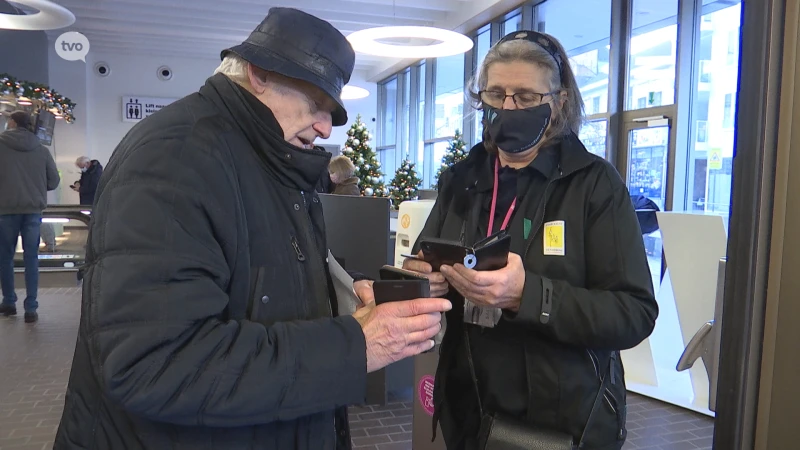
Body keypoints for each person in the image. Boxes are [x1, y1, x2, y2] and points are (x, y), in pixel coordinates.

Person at [54, 8, 450, 450]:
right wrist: (356, 345)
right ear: (260, 73)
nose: (324, 127)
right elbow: (154, 362)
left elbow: (262, 281)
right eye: (316, 102)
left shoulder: (267, 159)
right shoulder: (176, 159)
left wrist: (340, 295)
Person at [403, 30, 658, 450]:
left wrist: (528, 295)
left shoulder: (594, 186)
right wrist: (424, 280)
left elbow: (634, 312)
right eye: (496, 93)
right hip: (468, 410)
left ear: (557, 102)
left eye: (524, 96)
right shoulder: (462, 180)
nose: (507, 107)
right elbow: (426, 259)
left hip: (562, 423)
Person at [0, 111, 60, 323]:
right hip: (33, 210)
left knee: (5, 258)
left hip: (5, 209)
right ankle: (31, 308)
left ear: (13, 123)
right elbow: (53, 181)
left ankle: (8, 302)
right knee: (31, 258)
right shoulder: (41, 150)